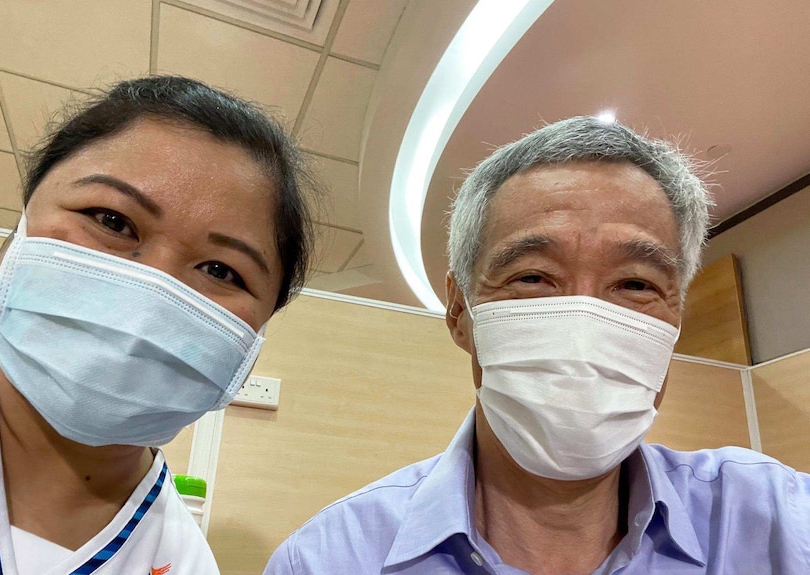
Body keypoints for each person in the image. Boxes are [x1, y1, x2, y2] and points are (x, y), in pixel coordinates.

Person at [263, 117, 810, 574]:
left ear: (675, 316)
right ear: (460, 311)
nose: (584, 323)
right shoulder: (332, 558)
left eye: (636, 284)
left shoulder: (776, 523)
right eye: (532, 277)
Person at [0, 76, 316, 574]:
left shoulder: (183, 564)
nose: (148, 293)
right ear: (19, 227)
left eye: (220, 271)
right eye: (111, 220)